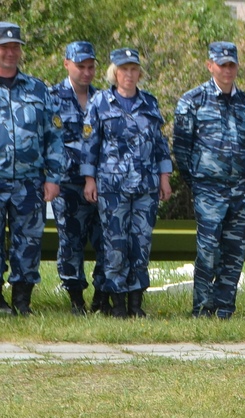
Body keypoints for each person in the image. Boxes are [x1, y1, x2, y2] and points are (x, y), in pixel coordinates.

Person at [82, 48, 170, 319]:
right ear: (114, 72)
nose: (129, 74)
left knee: (140, 245)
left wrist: (165, 177)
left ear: (139, 73)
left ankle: (136, 302)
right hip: (112, 187)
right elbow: (90, 145)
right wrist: (89, 179)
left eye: (133, 69)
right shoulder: (100, 102)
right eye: (124, 69)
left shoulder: (150, 104)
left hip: (146, 186)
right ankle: (117, 303)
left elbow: (160, 145)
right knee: (115, 245)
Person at [172, 42, 245, 319]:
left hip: (240, 188)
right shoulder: (192, 101)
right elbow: (182, 149)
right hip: (208, 188)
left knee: (234, 252)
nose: (227, 69)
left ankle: (225, 309)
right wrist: (196, 180)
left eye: (232, 64)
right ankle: (202, 308)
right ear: (210, 66)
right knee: (208, 251)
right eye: (222, 64)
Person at [0, 22, 62, 318]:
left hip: (29, 182)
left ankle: (22, 301)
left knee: (28, 244)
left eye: (15, 47)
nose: (10, 52)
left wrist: (53, 177)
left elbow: (53, 136)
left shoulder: (37, 88)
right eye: (4, 47)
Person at [50, 41, 106, 315]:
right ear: (66, 64)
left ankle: (101, 296)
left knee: (106, 240)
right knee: (70, 243)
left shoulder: (103, 99)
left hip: (99, 184)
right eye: (80, 66)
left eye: (91, 67)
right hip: (67, 184)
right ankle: (75, 300)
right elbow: (47, 141)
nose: (86, 72)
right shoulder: (51, 98)